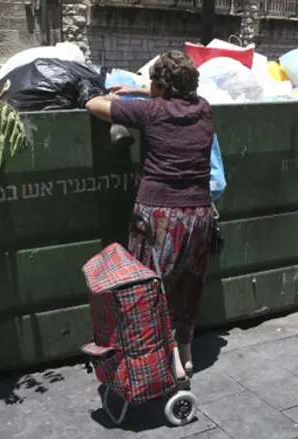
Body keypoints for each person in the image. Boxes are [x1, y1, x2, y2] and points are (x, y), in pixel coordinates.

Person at [85, 51, 214, 380]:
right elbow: (178, 99)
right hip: (199, 216)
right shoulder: (203, 110)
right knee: (188, 284)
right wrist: (147, 92)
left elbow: (94, 106)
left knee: (155, 287)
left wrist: (137, 95)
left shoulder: (150, 113)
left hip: (160, 216)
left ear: (160, 85)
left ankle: (167, 356)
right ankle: (185, 352)